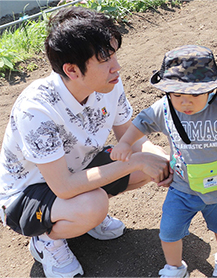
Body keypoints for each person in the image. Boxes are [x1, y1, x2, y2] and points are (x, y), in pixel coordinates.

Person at [0, 6, 172, 278]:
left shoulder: (109, 84)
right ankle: (47, 240)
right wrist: (136, 161)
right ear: (71, 70)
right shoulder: (37, 110)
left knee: (152, 162)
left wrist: (156, 155)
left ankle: (81, 219)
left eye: (114, 54)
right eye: (105, 59)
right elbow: (64, 186)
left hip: (77, 169)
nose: (117, 67)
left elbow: (130, 136)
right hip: (27, 194)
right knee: (93, 204)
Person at [110, 45, 217, 278]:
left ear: (211, 90)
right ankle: (175, 267)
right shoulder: (166, 109)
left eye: (194, 95)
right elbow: (141, 122)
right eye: (177, 95)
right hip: (182, 187)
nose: (185, 103)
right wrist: (126, 143)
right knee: (169, 230)